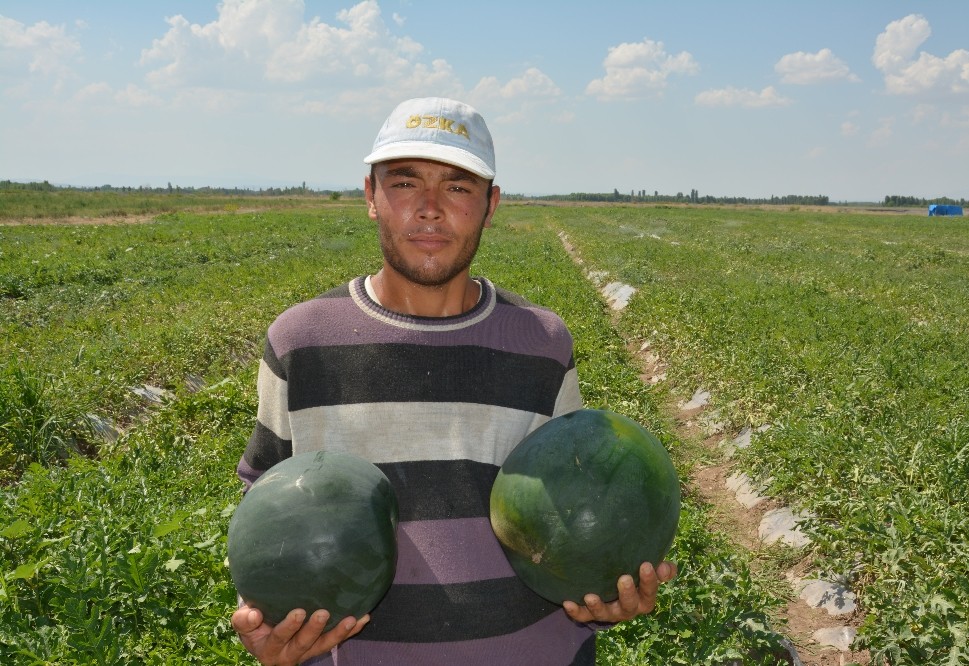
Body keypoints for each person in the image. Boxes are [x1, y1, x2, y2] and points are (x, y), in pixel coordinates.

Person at [230, 97, 677, 665]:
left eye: (459, 187)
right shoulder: (302, 341)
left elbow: (578, 494)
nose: (431, 209)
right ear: (371, 196)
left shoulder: (541, 342)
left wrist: (604, 586)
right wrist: (269, 619)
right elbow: (263, 504)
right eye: (405, 183)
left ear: (491, 205)